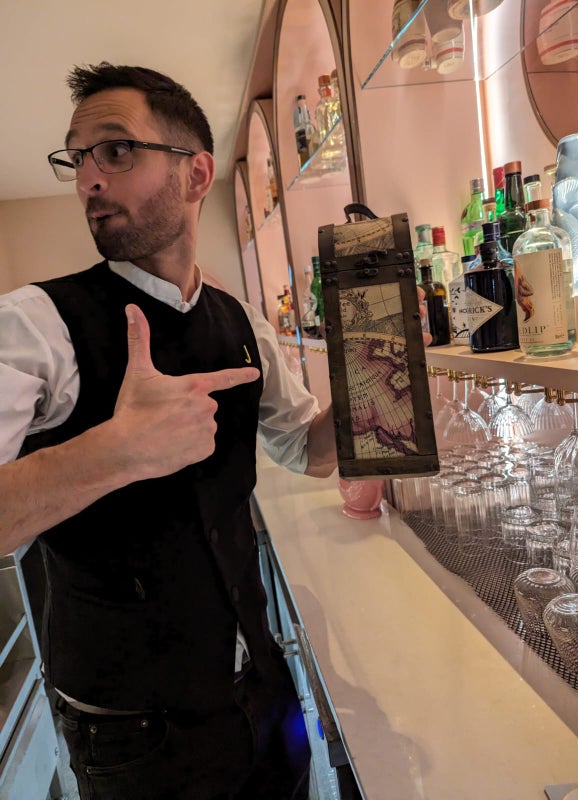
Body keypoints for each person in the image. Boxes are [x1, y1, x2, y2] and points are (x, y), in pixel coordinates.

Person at [0, 62, 338, 800]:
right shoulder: (33, 325)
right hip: (133, 742)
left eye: (116, 150)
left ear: (196, 173)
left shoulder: (241, 321)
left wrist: (374, 379)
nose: (89, 179)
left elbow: (307, 452)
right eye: (77, 158)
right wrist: (115, 453)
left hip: (264, 695)